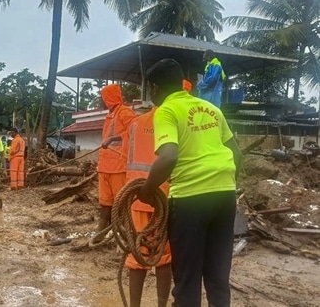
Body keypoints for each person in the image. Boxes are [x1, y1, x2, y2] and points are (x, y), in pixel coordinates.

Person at [138, 58, 242, 307]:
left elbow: (169, 156)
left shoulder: (167, 111)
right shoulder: (211, 109)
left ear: (154, 88)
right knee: (217, 276)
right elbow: (236, 154)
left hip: (190, 200)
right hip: (225, 196)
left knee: (187, 278)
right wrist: (221, 183)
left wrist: (146, 190)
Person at [103, 106, 172, 307]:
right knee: (164, 257)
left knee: (136, 255)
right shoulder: (174, 119)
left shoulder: (135, 123)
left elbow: (126, 157)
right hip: (165, 198)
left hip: (137, 199)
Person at [95, 83, 137, 240]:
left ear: (109, 98)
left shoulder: (125, 112)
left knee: (121, 202)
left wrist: (113, 138)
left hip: (118, 166)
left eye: (103, 97)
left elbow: (134, 131)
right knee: (105, 201)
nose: (101, 100)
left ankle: (124, 234)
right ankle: (101, 231)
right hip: (105, 166)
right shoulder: (110, 115)